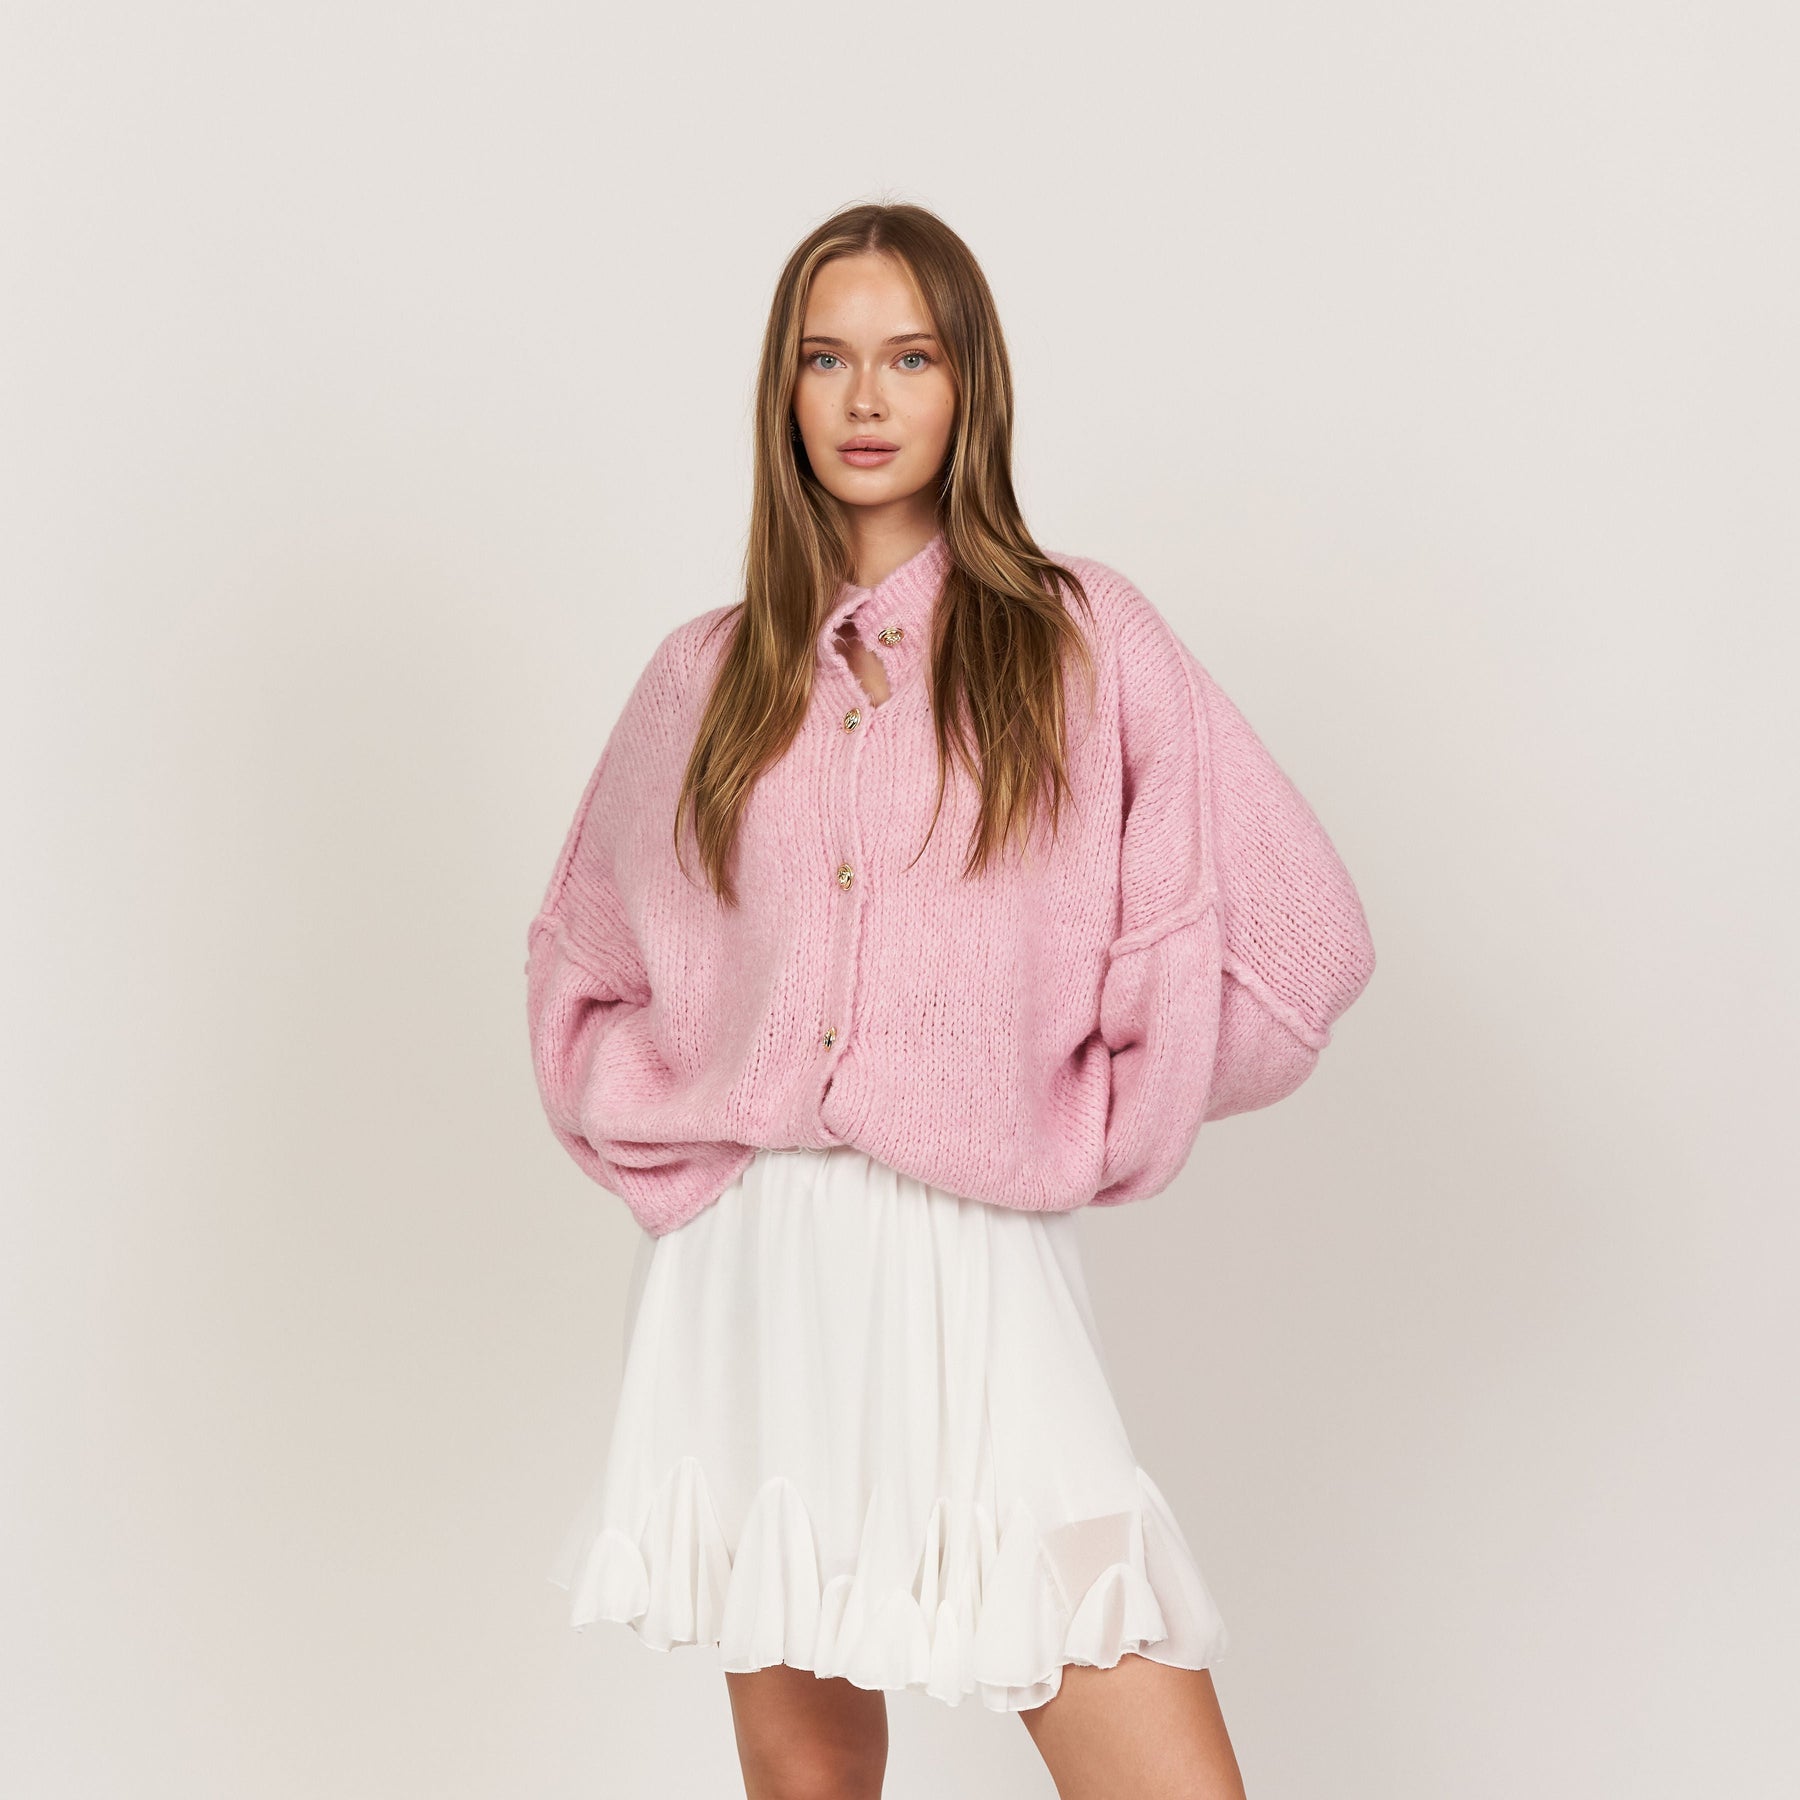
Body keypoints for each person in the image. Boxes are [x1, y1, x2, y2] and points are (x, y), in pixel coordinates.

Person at [524, 201, 1376, 1800]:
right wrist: (700, 1103)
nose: (865, 398)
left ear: (970, 384)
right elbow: (584, 965)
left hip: (970, 1264)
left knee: (1145, 1738)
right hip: (753, 1268)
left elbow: (1303, 937)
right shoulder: (704, 678)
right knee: (807, 1771)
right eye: (826, 358)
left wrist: (1089, 1104)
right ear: (781, 390)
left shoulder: (1078, 639)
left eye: (909, 357)